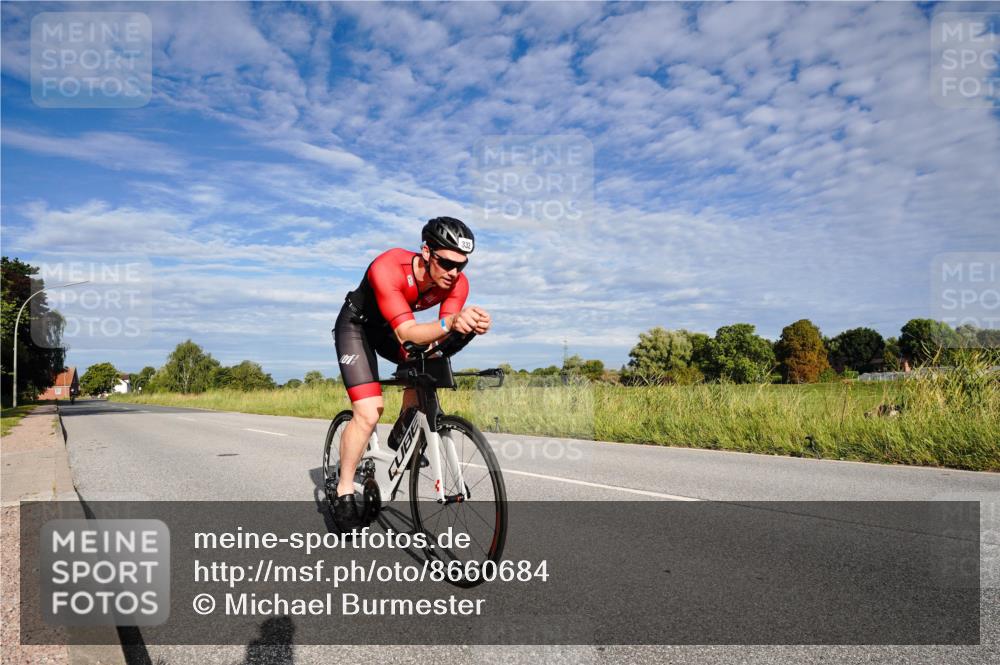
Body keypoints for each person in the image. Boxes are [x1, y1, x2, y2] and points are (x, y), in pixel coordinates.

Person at [331, 217, 491, 528]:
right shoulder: (389, 267)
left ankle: (401, 434)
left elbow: (440, 338)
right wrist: (451, 323)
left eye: (462, 265)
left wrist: (468, 329)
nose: (454, 273)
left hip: (394, 330)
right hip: (358, 327)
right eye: (446, 263)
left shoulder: (457, 282)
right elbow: (408, 332)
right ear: (426, 251)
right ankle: (344, 488)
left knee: (427, 368)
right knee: (369, 411)